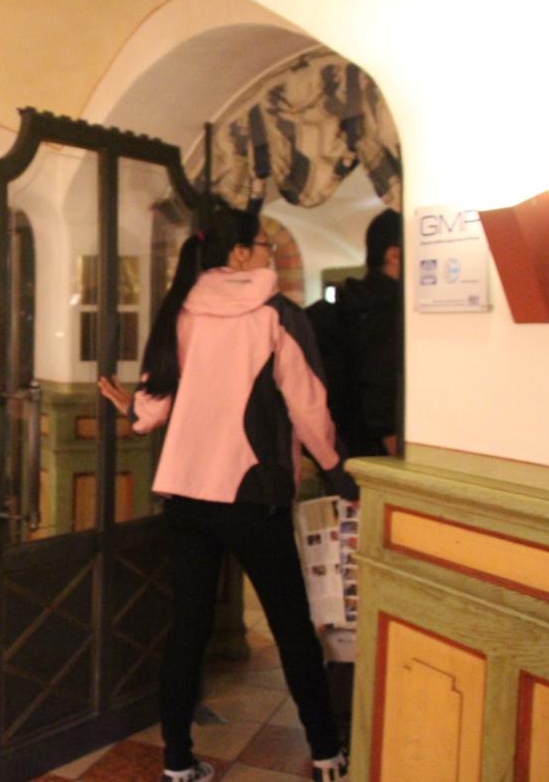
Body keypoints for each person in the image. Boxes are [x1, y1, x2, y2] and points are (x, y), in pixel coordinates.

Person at [98, 201, 356, 782]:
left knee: (187, 629)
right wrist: (339, 471)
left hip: (185, 496)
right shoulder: (277, 316)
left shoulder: (181, 312)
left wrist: (132, 410)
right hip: (252, 495)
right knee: (291, 626)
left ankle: (177, 763)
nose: (269, 253)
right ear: (239, 254)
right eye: (264, 245)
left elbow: (152, 408)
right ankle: (326, 755)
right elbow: (309, 406)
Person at [307, 209, 402, 457]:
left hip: (341, 446)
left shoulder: (350, 303)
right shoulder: (388, 309)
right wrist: (395, 448)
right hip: (378, 452)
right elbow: (380, 384)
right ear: (394, 255)